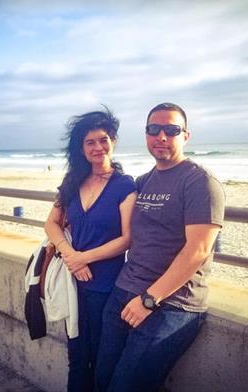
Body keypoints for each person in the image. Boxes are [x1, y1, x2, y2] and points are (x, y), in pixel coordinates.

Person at [95, 103, 225, 392]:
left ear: (186, 136)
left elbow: (198, 251)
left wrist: (149, 300)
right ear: (146, 135)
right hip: (123, 291)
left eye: (171, 129)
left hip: (172, 304)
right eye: (154, 129)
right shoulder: (142, 181)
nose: (162, 136)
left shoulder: (200, 183)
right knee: (101, 380)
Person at [44, 108, 136, 392]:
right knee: (76, 356)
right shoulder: (73, 182)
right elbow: (51, 223)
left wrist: (84, 258)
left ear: (113, 141)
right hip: (71, 283)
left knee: (100, 359)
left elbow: (127, 239)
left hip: (105, 287)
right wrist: (71, 256)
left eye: (103, 139)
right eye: (90, 142)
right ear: (81, 148)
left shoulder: (124, 185)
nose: (98, 147)